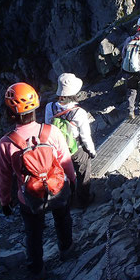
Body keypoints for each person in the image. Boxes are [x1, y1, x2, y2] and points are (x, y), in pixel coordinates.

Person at [0, 82, 76, 280]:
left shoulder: (6, 143)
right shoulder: (52, 132)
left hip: (30, 198)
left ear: (10, 113)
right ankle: (66, 249)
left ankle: (37, 269)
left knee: (33, 233)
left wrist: (5, 201)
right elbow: (66, 162)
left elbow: (3, 177)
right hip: (58, 188)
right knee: (63, 220)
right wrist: (72, 182)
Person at [44, 73, 96, 208]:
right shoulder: (79, 112)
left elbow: (48, 127)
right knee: (83, 172)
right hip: (75, 150)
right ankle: (84, 201)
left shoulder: (49, 107)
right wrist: (91, 151)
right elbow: (85, 136)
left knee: (63, 175)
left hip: (56, 150)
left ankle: (67, 200)